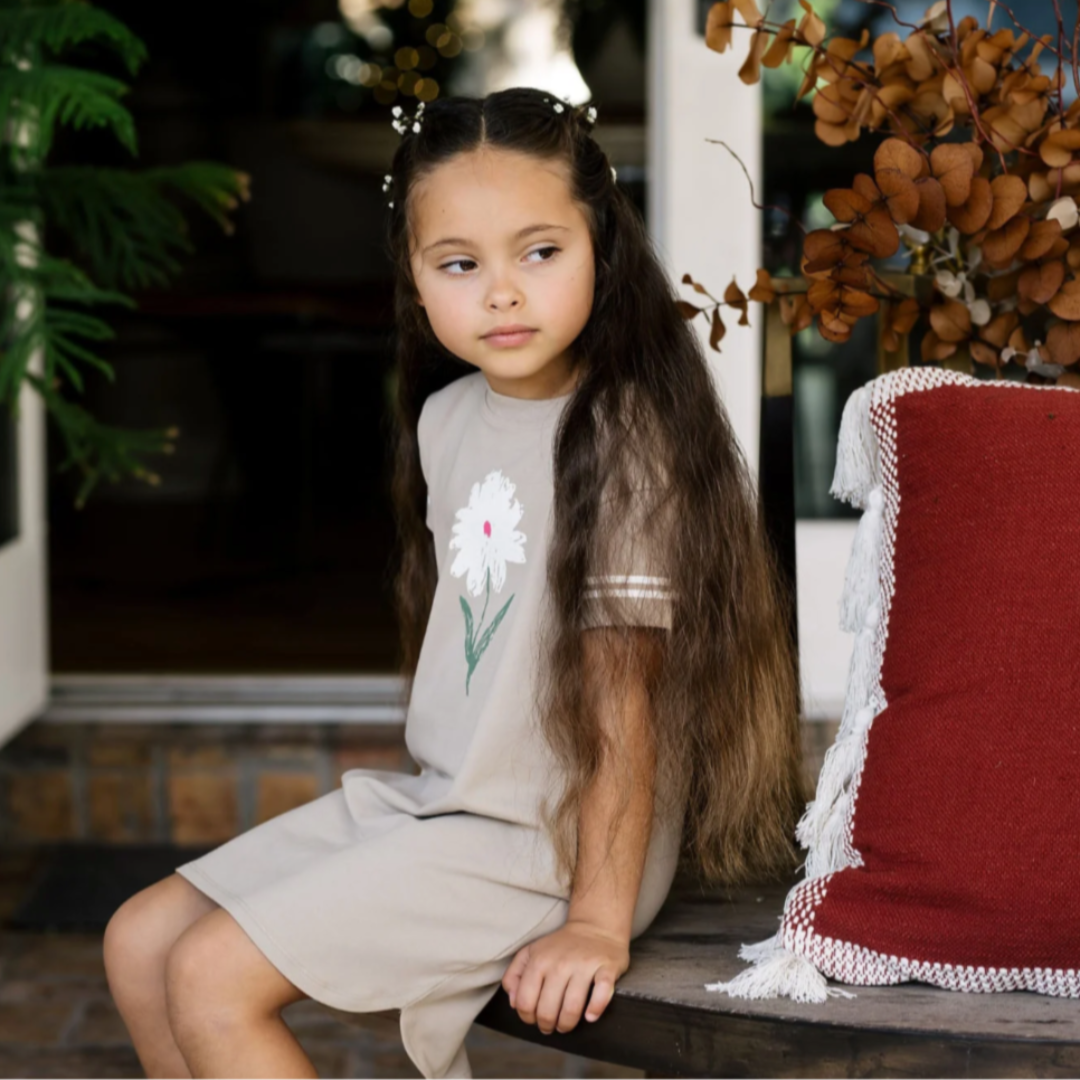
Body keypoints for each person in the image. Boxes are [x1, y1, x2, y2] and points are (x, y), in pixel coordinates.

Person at [101, 86, 804, 1080]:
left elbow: (621, 702)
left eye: (539, 251)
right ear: (415, 276)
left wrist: (597, 925)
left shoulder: (624, 437)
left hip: (555, 843)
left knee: (214, 977)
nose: (502, 291)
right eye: (461, 264)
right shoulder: (446, 421)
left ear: (601, 244)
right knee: (139, 941)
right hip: (451, 807)